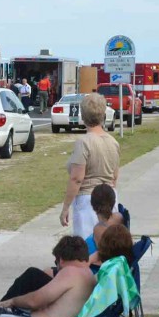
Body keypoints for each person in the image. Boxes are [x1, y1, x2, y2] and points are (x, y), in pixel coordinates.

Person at [60, 93, 120, 239]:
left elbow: (77, 178)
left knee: (88, 244)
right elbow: (115, 176)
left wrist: (66, 207)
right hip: (110, 198)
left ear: (83, 115)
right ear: (103, 114)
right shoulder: (113, 142)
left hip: (88, 199)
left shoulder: (84, 142)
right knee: (108, 245)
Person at [87, 183, 125, 264]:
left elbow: (103, 258)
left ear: (92, 204)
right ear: (114, 201)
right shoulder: (120, 217)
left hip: (109, 269)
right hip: (124, 262)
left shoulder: (98, 229)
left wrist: (88, 261)